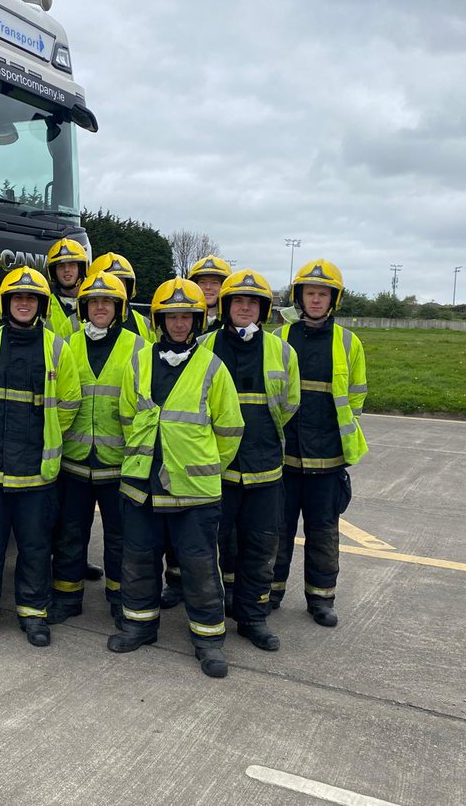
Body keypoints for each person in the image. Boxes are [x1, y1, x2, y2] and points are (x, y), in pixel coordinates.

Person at [109, 278, 244, 678]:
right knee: (137, 560)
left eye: (187, 316)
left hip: (195, 492)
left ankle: (208, 641)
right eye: (172, 317)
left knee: (200, 567)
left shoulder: (212, 367)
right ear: (159, 320)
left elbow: (230, 430)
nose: (180, 324)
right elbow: (126, 417)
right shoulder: (139, 362)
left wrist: (201, 468)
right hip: (140, 485)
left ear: (198, 320)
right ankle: (139, 625)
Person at [0, 266, 81, 647]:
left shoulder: (58, 348)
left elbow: (69, 403)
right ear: (6, 303)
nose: (24, 303)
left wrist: (43, 438)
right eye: (17, 297)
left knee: (35, 547)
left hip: (35, 472)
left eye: (30, 298)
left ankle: (33, 613)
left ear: (40, 304)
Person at [202, 269, 300, 651]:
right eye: (238, 302)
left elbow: (289, 405)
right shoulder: (206, 346)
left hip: (264, 468)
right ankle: (218, 609)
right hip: (217, 468)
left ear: (263, 309)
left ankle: (253, 616)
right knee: (216, 543)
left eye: (253, 303)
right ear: (226, 307)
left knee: (260, 546)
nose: (245, 308)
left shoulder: (281, 351)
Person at [271, 259, 368, 628]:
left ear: (333, 299)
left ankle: (321, 599)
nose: (315, 300)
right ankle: (272, 593)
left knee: (324, 534)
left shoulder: (349, 342)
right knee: (276, 531)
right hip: (284, 458)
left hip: (328, 460)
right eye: (310, 293)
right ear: (299, 297)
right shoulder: (280, 339)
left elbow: (356, 399)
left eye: (322, 294)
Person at [49, 271, 144, 628]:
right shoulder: (67, 345)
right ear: (84, 308)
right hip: (73, 461)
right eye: (93, 302)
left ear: (118, 307)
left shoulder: (138, 348)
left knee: (121, 536)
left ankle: (119, 598)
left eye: (107, 301)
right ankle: (67, 596)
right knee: (70, 531)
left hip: (118, 463)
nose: (100, 307)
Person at [157, 254, 233, 608]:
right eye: (204, 282)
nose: (179, 323)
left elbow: (230, 425)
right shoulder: (147, 358)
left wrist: (208, 462)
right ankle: (173, 587)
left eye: (216, 283)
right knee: (164, 550)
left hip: (202, 472)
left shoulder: (213, 353)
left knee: (208, 554)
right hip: (159, 474)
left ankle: (217, 618)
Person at [85, 252, 155, 342]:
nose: (118, 289)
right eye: (111, 283)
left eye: (120, 283)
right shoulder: (75, 324)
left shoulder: (145, 324)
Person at [45, 237, 89, 340]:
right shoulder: (45, 306)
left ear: (81, 269)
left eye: (72, 265)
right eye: (61, 266)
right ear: (53, 272)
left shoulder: (94, 303)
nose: (67, 270)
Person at [189, 255, 232, 335]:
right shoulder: (185, 320)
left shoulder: (233, 322)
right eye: (202, 282)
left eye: (214, 283)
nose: (208, 287)